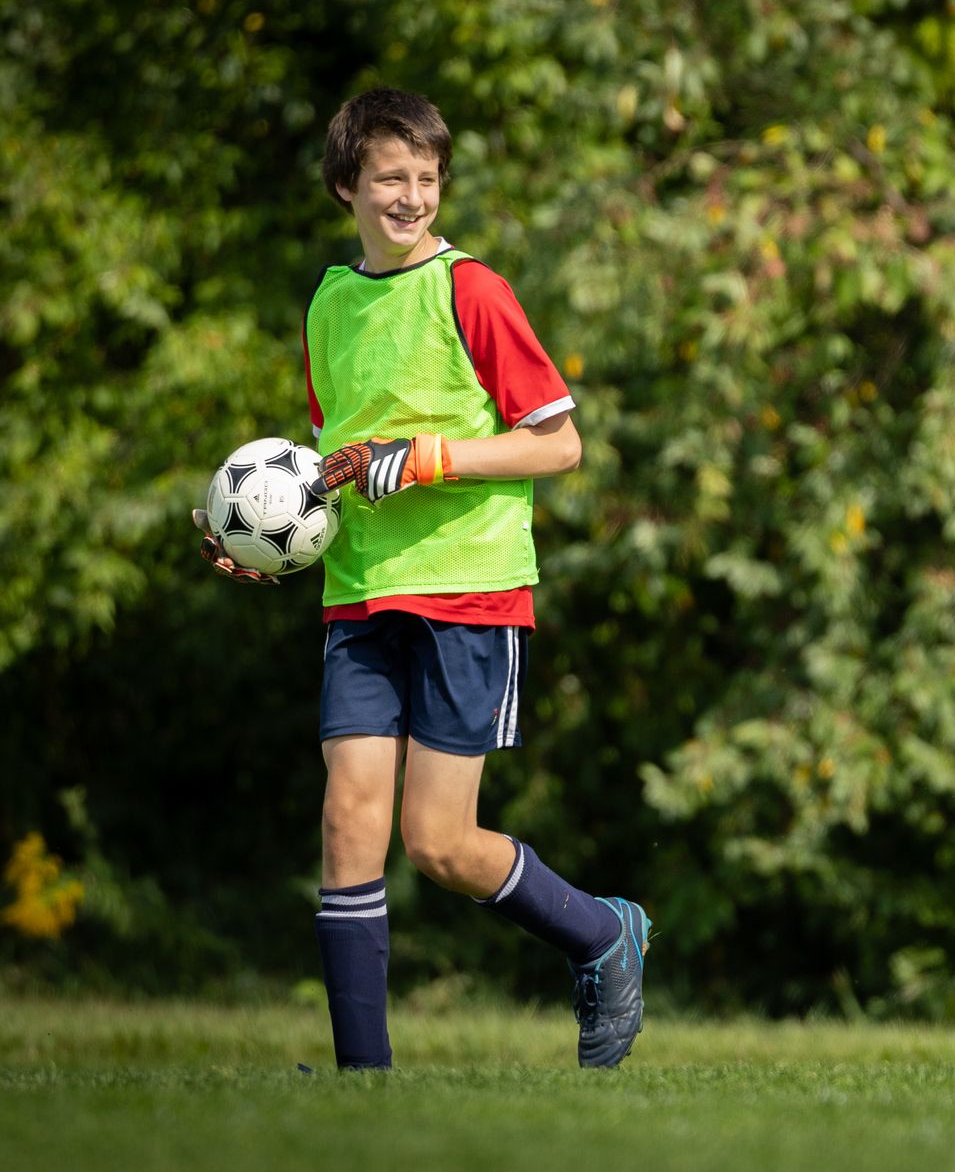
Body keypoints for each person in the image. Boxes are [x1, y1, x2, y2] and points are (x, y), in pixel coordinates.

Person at [192, 87, 650, 1070]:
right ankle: (364, 1080)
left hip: (469, 595)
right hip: (359, 594)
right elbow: (331, 467)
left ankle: (603, 933)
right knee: (349, 816)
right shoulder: (328, 300)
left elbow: (560, 446)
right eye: (390, 177)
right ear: (346, 184)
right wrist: (269, 543)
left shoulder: (472, 289)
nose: (410, 196)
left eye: (427, 179)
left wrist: (437, 456)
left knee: (439, 842)